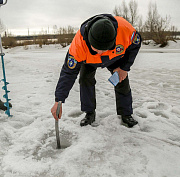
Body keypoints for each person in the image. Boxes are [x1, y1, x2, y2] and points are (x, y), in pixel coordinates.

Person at [51, 14, 141, 128]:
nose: (100, 53)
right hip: (89, 60)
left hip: (114, 57)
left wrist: (124, 68)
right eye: (97, 49)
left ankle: (126, 114)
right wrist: (59, 100)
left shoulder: (125, 30)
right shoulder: (78, 45)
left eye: (104, 49)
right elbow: (68, 73)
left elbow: (136, 44)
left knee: (122, 80)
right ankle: (89, 113)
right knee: (85, 79)